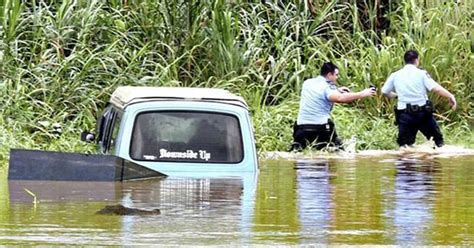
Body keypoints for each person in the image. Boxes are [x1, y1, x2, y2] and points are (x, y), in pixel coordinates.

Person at [290, 62, 376, 151]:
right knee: (337, 153)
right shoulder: (327, 87)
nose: (337, 77)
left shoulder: (307, 83)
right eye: (336, 75)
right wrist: (362, 93)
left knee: (298, 154)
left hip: (301, 128)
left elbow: (319, 93)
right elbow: (339, 98)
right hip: (320, 128)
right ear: (329, 74)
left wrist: (337, 90)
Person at [381, 50, 457, 148]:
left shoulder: (395, 75)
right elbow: (436, 88)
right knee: (438, 143)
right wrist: (450, 96)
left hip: (405, 115)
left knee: (405, 147)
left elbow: (384, 91)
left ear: (405, 61)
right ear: (417, 60)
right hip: (423, 114)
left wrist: (396, 96)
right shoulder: (421, 74)